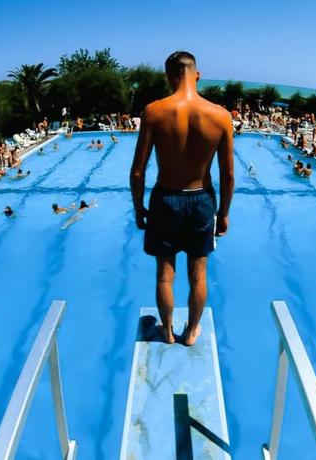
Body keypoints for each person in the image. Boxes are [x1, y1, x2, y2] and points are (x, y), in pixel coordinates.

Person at [130, 51, 234, 346]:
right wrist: (224, 212)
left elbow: (137, 173)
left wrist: (139, 209)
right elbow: (228, 176)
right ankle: (190, 332)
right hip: (202, 200)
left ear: (169, 76)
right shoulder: (220, 115)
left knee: (165, 274)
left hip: (165, 200)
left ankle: (166, 331)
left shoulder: (153, 111)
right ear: (197, 74)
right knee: (198, 274)